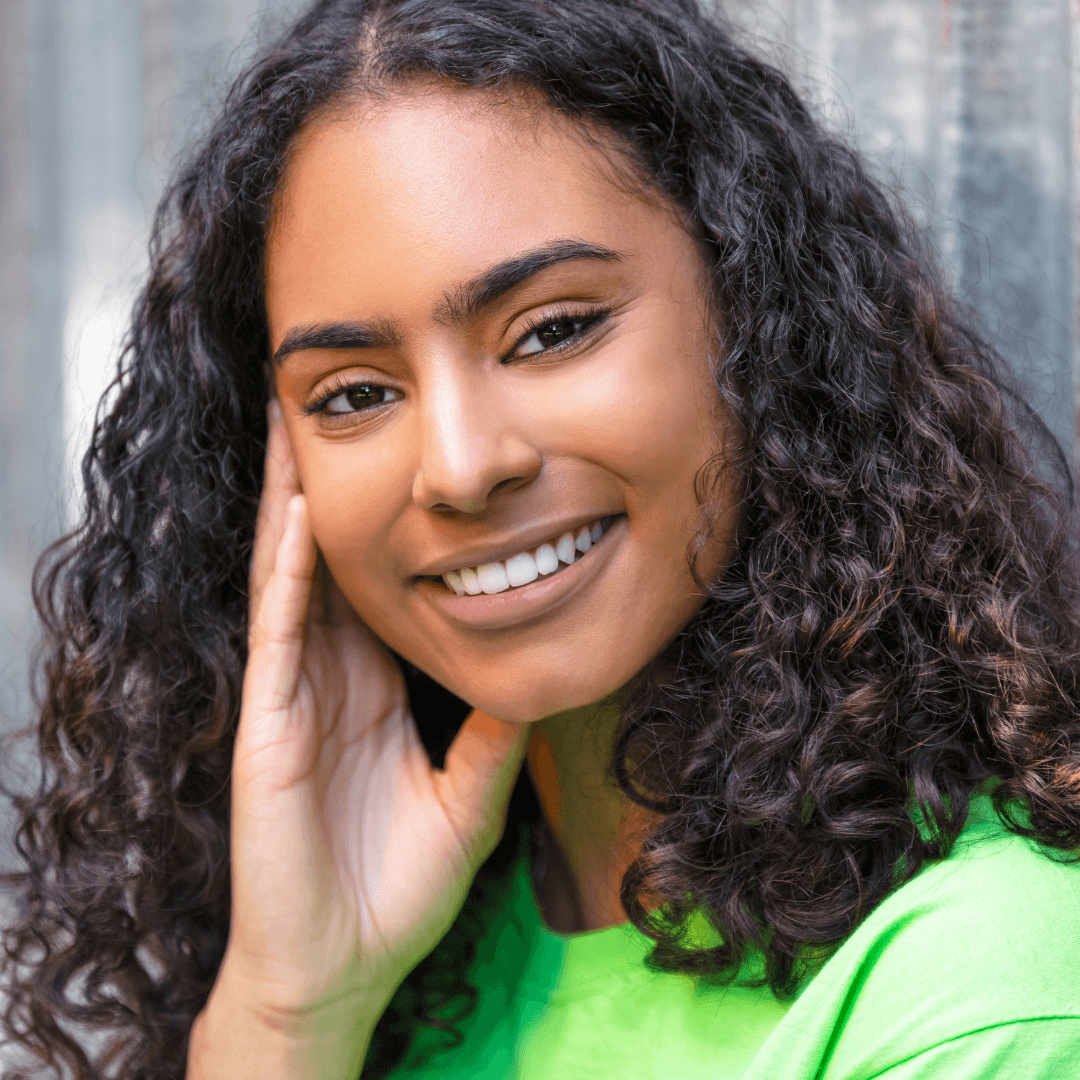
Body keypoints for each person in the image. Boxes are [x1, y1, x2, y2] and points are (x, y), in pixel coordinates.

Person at [3, 0, 1080, 1077]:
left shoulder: (977, 997)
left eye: (553, 330)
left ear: (758, 315)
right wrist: (287, 1016)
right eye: (354, 394)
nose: (463, 466)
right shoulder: (401, 959)